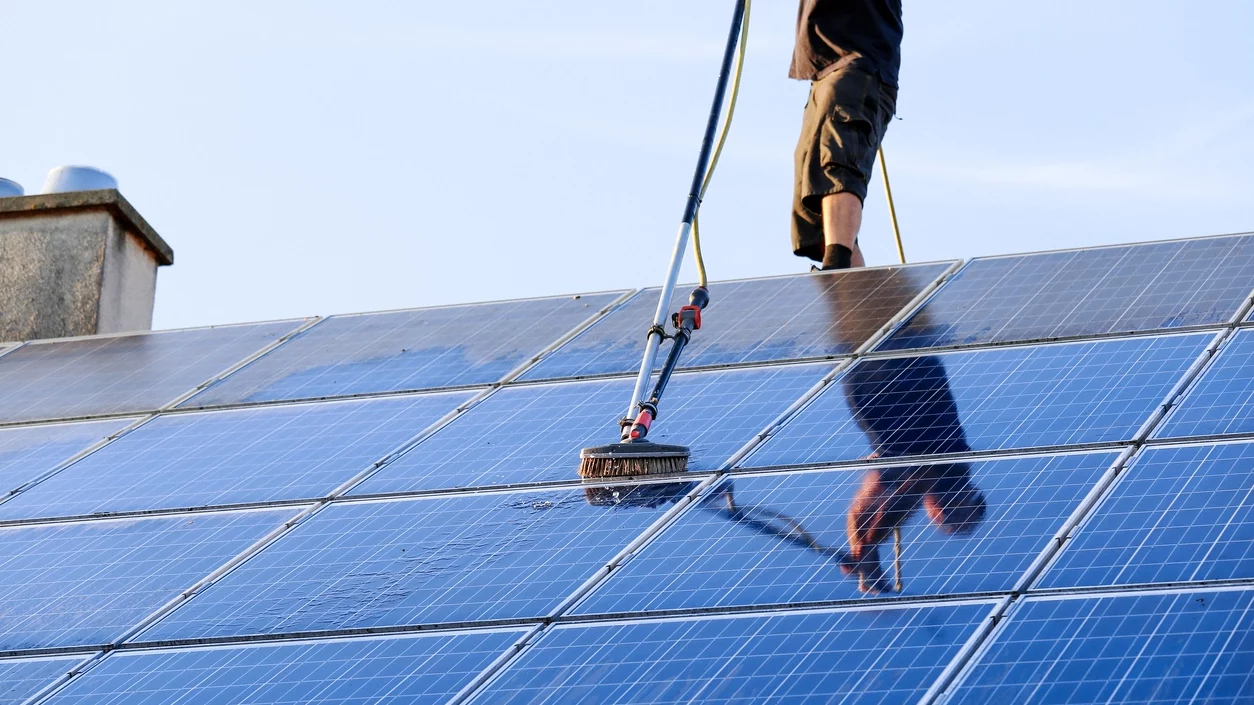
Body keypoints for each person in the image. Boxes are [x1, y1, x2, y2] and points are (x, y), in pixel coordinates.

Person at [790, 1, 903, 270]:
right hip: (825, 73)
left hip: (856, 65)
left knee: (837, 164)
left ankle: (837, 266)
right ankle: (853, 297)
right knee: (813, 187)